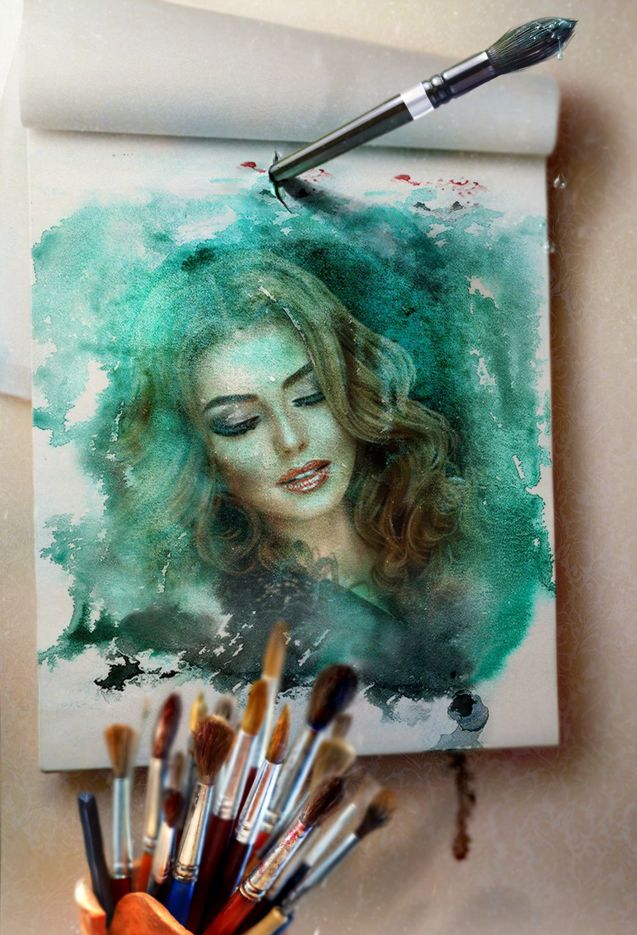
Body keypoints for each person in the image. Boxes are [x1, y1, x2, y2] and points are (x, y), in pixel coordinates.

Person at [109, 246, 478, 704]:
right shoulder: (218, 630)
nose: (290, 439)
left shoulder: (467, 537)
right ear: (197, 453)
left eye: (311, 394)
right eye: (240, 422)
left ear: (352, 388)